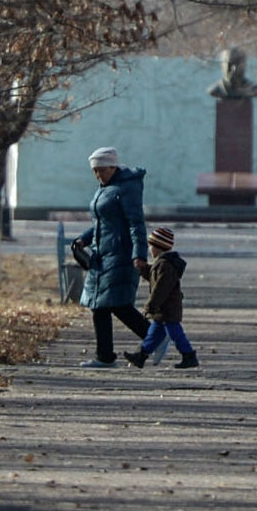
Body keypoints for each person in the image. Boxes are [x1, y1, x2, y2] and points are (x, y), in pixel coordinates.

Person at [73, 146, 150, 367]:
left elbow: (136, 224)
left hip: (120, 254)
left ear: (113, 166)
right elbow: (102, 223)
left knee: (118, 304)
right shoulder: (104, 188)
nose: (98, 175)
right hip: (101, 254)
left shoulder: (127, 188)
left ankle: (155, 336)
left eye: (102, 170)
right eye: (95, 171)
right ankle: (104, 357)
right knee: (99, 306)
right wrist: (84, 240)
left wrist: (139, 254)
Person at [138, 227, 198, 369]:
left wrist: (150, 306)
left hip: (168, 308)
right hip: (163, 309)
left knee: (176, 333)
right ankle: (141, 356)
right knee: (153, 334)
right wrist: (143, 269)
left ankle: (189, 355)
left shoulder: (165, 265)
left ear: (158, 248)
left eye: (151, 246)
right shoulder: (161, 264)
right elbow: (154, 278)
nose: (150, 249)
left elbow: (160, 288)